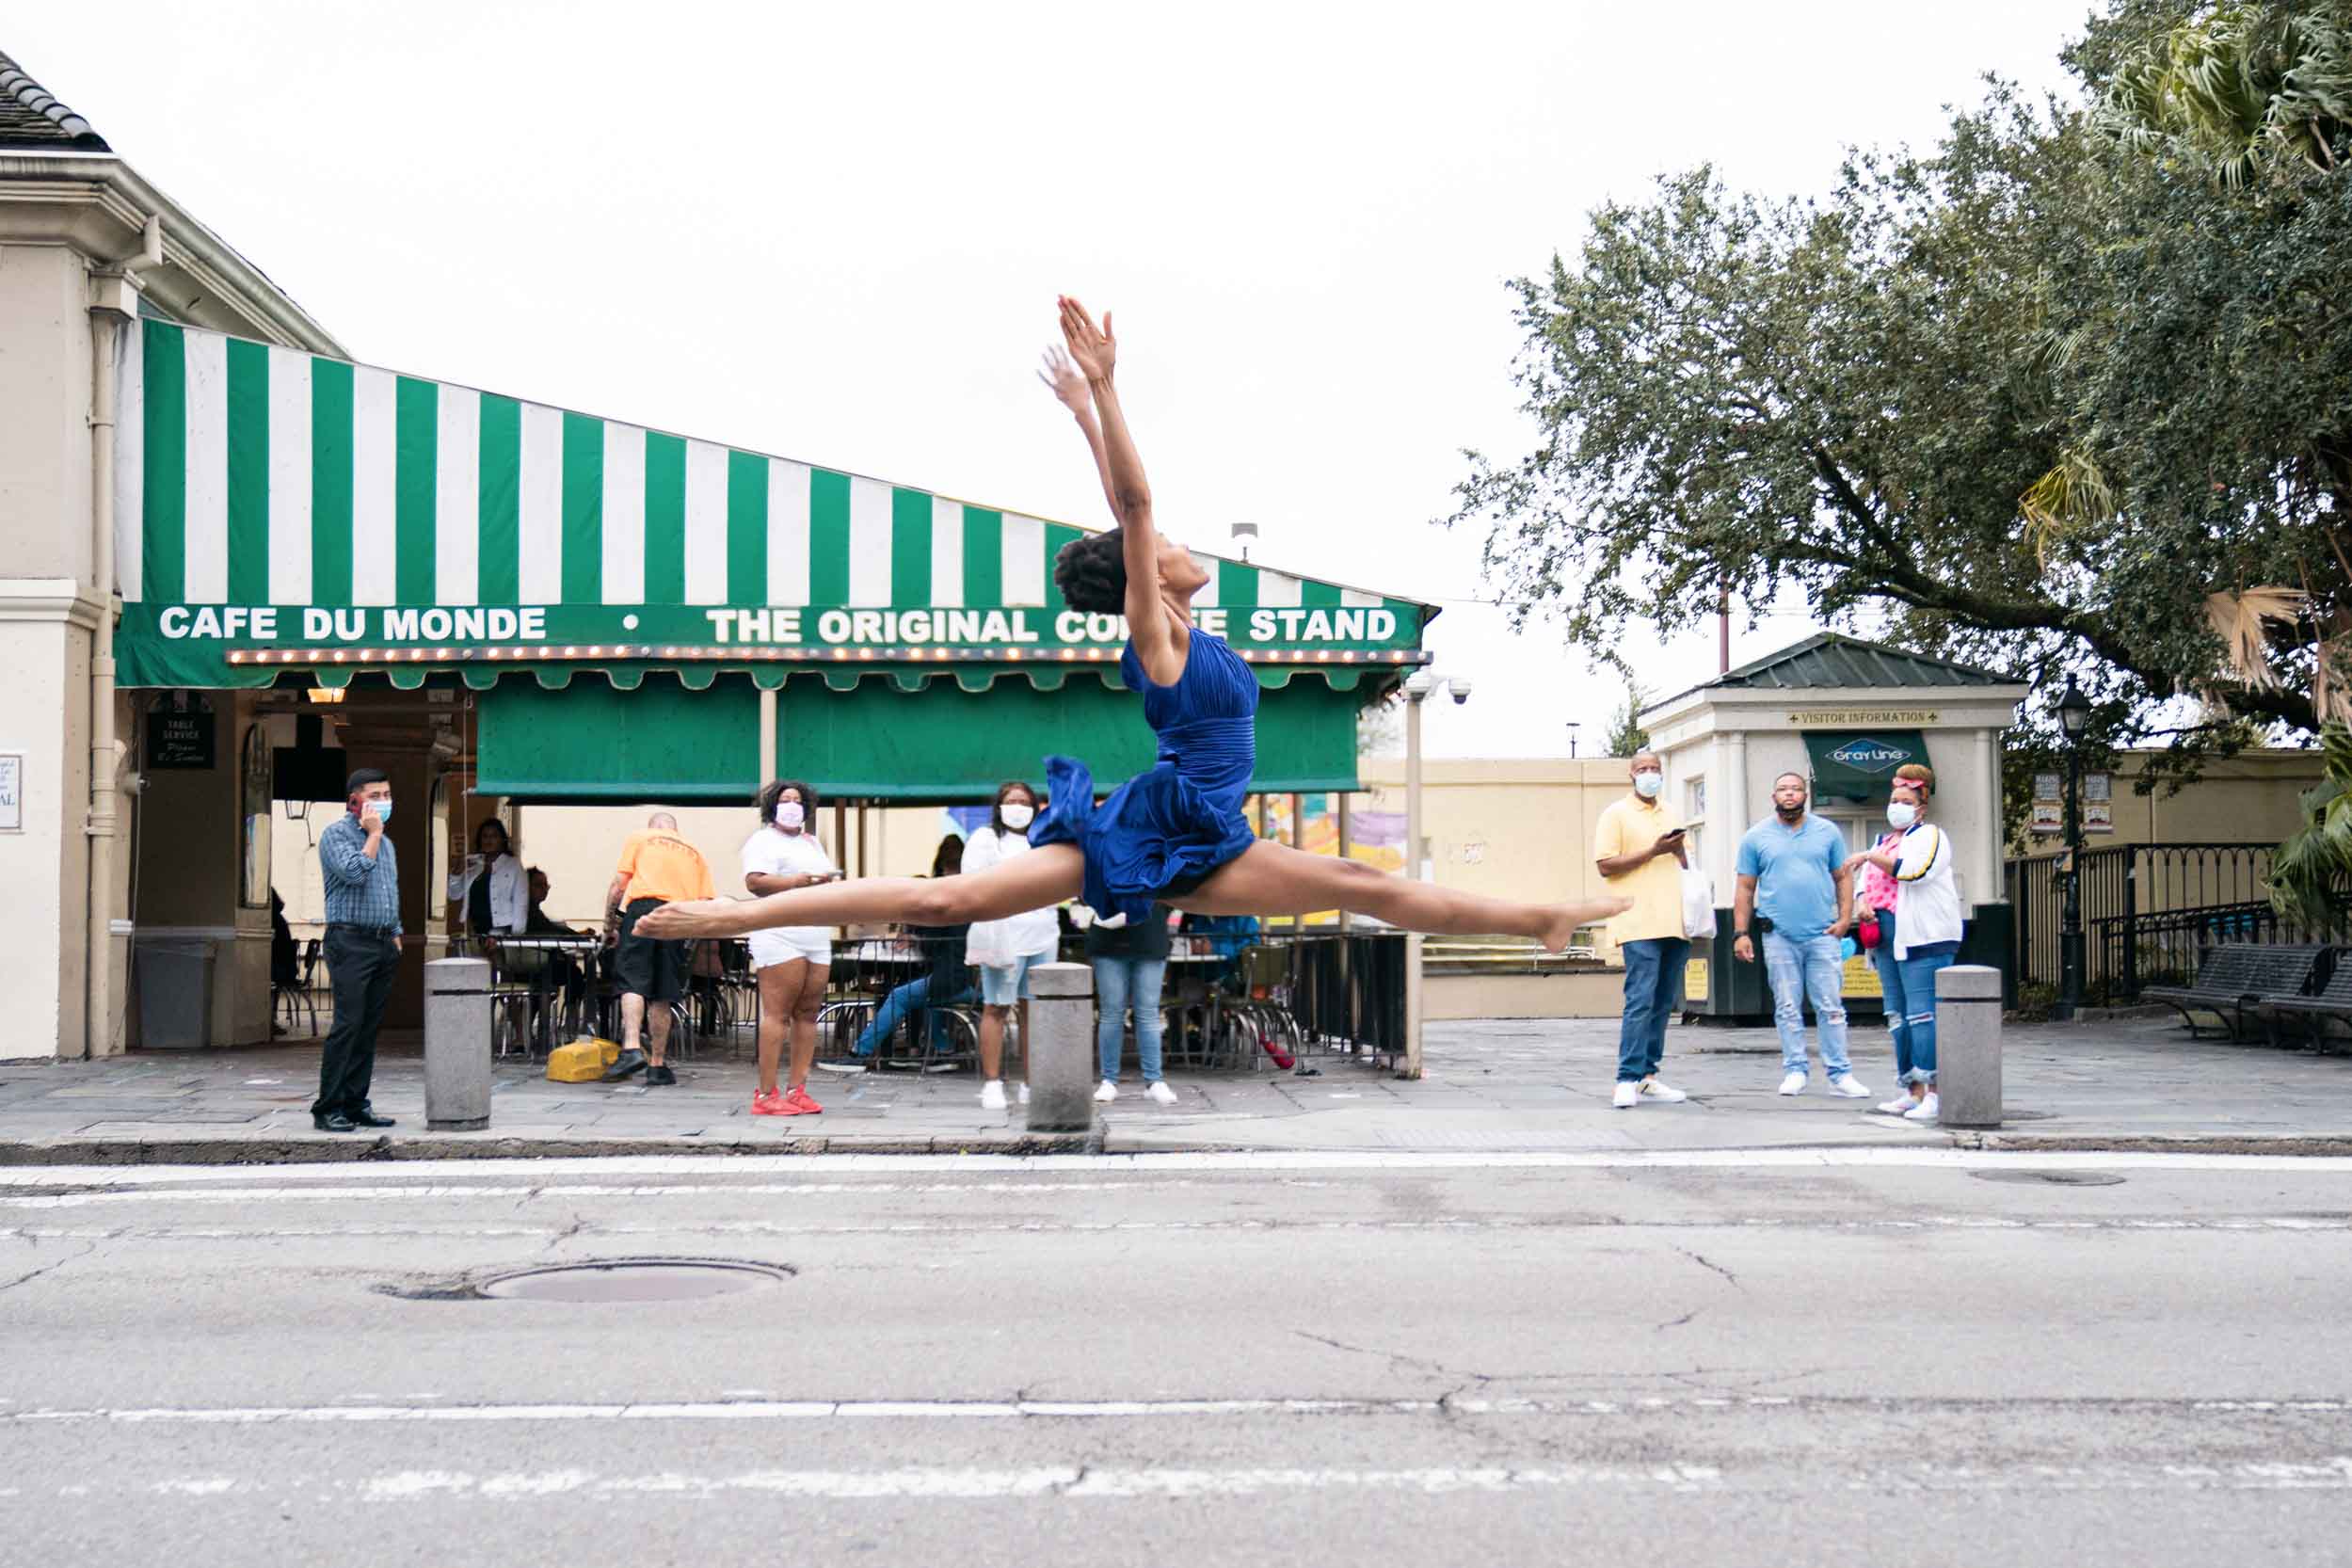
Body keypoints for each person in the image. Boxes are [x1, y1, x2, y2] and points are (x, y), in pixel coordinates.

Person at [635, 299, 1627, 1012]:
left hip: (1202, 834)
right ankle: (732, 915)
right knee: (948, 899)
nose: (1184, 548)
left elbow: (1132, 511)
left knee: (1367, 888)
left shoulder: (1189, 629)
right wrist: (1108, 394)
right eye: (1164, 552)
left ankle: (1536, 914)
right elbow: (1137, 509)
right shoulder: (1156, 642)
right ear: (1150, 576)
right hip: (1157, 826)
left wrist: (1083, 412)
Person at [1734, 772, 1870, 1099]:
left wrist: (1844, 919)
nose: (1790, 794)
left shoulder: (1827, 833)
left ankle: (1840, 1074)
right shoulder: (1756, 837)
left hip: (1823, 934)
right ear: (1774, 796)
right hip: (1778, 935)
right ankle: (1795, 1070)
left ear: (1805, 795)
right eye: (1783, 789)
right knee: (1787, 1007)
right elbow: (1744, 887)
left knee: (1831, 1006)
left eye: (1796, 789)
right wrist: (1741, 933)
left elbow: (1843, 877)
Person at [1844, 763, 1962, 1123]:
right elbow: (1867, 883)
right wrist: (1863, 901)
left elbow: (1912, 871)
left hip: (1924, 937)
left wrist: (1867, 855)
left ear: (1921, 808)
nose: (1896, 805)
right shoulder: (1884, 841)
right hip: (1885, 936)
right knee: (1897, 1015)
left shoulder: (1931, 837)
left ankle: (1935, 1092)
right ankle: (1910, 1089)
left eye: (1905, 800)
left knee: (1923, 1014)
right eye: (1893, 799)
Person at [1593, 753, 1692, 1109]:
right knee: (1640, 1000)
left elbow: (1685, 864)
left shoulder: (1670, 812)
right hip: (1637, 920)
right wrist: (1652, 850)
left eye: (1655, 769)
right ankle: (1626, 1077)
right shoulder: (1616, 814)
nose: (1650, 775)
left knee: (1664, 1003)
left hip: (1674, 920)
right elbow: (1606, 866)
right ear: (1631, 775)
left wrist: (1678, 851)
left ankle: (1648, 1076)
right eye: (1643, 770)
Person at [827, 835, 975, 1072]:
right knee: (925, 998)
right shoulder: (970, 894)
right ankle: (944, 1051)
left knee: (899, 996)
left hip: (951, 979)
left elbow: (935, 944)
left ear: (941, 866)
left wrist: (917, 936)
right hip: (965, 979)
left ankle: (859, 1054)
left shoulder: (947, 897)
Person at [740, 780, 839, 1116]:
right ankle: (766, 1094)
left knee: (809, 1013)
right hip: (779, 932)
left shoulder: (812, 842)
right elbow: (755, 882)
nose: (793, 805)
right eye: (785, 800)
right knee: (778, 1013)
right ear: (773, 806)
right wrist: (796, 882)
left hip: (815, 932)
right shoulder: (763, 840)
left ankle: (798, 1088)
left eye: (798, 800)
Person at [312, 768, 401, 1132]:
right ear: (354, 801)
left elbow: (389, 890)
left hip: (382, 941)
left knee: (367, 1027)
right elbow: (355, 873)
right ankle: (328, 1106)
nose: (383, 802)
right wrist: (374, 834)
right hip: (349, 941)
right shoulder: (337, 835)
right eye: (375, 795)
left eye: (386, 794)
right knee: (348, 1024)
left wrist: (396, 933)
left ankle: (355, 1102)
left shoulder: (388, 844)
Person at [962, 780, 1060, 1111]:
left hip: (1043, 934)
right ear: (999, 806)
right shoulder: (986, 839)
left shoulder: (1045, 840)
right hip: (1003, 934)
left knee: (1037, 1012)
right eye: (1010, 800)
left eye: (1024, 801)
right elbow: (973, 882)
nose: (1017, 807)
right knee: (996, 1007)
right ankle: (992, 1083)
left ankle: (1032, 1083)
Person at [601, 810, 715, 1087]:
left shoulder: (641, 837)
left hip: (643, 909)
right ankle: (657, 1065)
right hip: (679, 915)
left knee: (633, 980)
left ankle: (630, 1049)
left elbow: (618, 886)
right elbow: (705, 903)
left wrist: (609, 926)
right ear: (676, 830)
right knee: (663, 992)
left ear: (653, 827)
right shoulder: (695, 852)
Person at [1091, 904, 1176, 1104]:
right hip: (1114, 941)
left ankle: (1153, 1080)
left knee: (1144, 1013)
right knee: (1114, 1013)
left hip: (1148, 938)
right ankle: (1110, 1080)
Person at [448, 817, 526, 938]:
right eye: (485, 836)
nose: (489, 840)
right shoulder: (473, 864)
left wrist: (516, 939)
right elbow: (454, 894)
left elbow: (521, 905)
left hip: (502, 932)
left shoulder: (513, 865)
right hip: (474, 931)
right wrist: (459, 866)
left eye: (494, 836)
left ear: (502, 840)